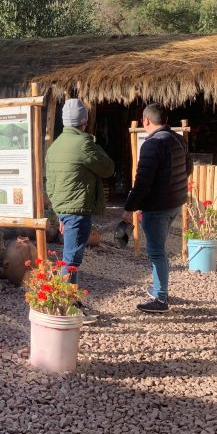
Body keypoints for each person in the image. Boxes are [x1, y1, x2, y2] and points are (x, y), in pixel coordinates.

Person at [45, 99, 114, 316]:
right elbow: (108, 168)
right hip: (77, 208)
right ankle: (67, 306)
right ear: (84, 121)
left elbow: (50, 183)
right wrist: (93, 141)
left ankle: (67, 303)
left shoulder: (54, 145)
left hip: (63, 208)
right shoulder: (84, 144)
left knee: (69, 256)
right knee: (71, 259)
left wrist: (59, 213)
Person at [123, 103, 191, 314]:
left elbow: (142, 182)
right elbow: (188, 167)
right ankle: (158, 289)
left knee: (156, 252)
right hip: (174, 203)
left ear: (145, 121)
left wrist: (129, 207)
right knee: (159, 250)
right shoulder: (178, 138)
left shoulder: (152, 144)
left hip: (157, 206)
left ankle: (161, 299)